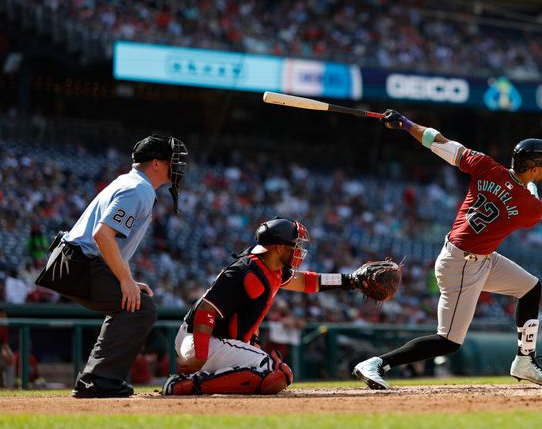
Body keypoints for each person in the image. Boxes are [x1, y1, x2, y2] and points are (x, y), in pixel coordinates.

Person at [353, 109, 542, 389]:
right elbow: (529, 201)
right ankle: (377, 363)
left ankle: (525, 360)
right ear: (534, 169)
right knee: (448, 341)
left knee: (530, 288)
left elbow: (438, 141)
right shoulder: (531, 205)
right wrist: (530, 185)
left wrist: (406, 124)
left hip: (476, 257)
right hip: (463, 264)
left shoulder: (486, 166)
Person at [37, 134, 188, 398]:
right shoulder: (138, 188)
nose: (176, 167)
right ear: (155, 163)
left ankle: (96, 378)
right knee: (142, 308)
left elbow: (106, 241)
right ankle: (99, 379)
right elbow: (102, 235)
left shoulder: (130, 182)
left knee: (132, 303)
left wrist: (125, 278)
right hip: (78, 264)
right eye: (170, 161)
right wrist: (124, 280)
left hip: (77, 261)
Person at [162, 217, 365, 396]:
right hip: (201, 339)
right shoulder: (243, 271)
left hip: (216, 340)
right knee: (273, 372)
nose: (298, 250)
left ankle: (196, 380)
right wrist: (200, 355)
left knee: (274, 373)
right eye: (294, 245)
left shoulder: (272, 268)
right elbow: (206, 310)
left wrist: (350, 280)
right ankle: (186, 385)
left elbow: (307, 282)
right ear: (278, 248)